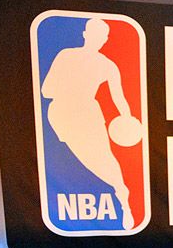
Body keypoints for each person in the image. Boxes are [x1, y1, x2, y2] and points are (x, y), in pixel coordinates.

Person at [41, 17, 137, 230]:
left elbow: (119, 98)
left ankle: (122, 196)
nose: (99, 40)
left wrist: (127, 118)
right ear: (85, 34)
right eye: (95, 35)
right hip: (61, 114)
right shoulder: (66, 55)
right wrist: (71, 88)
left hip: (89, 114)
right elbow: (46, 90)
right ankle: (117, 190)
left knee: (104, 157)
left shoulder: (108, 66)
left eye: (102, 37)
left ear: (105, 39)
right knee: (84, 160)